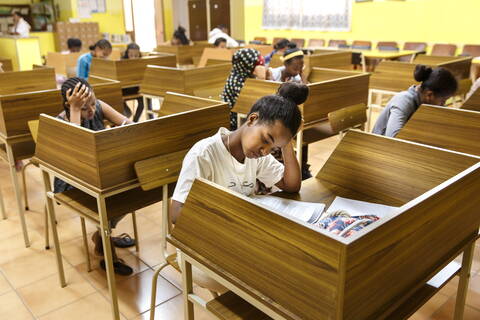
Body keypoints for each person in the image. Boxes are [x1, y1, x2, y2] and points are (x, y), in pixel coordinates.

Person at [171, 82, 305, 291]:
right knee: (276, 276)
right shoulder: (204, 153)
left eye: (273, 148)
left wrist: (286, 143)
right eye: (266, 139)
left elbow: (291, 185)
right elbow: (177, 213)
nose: (265, 151)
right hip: (200, 250)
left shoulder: (256, 155)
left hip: (241, 241)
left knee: (291, 262)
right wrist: (230, 223)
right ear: (252, 119)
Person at [55, 77, 135, 275]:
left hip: (101, 173)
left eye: (93, 102)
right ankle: (106, 248)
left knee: (137, 189)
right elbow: (79, 150)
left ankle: (102, 235)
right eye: (84, 107)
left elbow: (129, 124)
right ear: (69, 105)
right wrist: (75, 111)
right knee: (110, 198)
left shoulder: (98, 106)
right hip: (74, 180)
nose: (91, 110)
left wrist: (124, 125)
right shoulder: (60, 121)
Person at [372, 65, 458, 137]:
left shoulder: (424, 102)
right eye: (443, 101)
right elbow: (393, 138)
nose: (443, 105)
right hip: (380, 150)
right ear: (429, 95)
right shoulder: (404, 100)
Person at [221, 48, 267, 129]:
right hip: (235, 124)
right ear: (247, 64)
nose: (261, 66)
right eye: (257, 64)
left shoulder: (241, 75)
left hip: (244, 119)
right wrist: (262, 79)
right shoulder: (237, 81)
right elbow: (257, 106)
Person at [121, 43, 144, 122]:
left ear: (139, 54)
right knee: (119, 102)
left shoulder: (142, 62)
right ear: (127, 54)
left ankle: (135, 121)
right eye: (131, 55)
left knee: (142, 103)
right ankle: (127, 115)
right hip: (123, 90)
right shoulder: (121, 63)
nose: (133, 58)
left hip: (135, 89)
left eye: (136, 55)